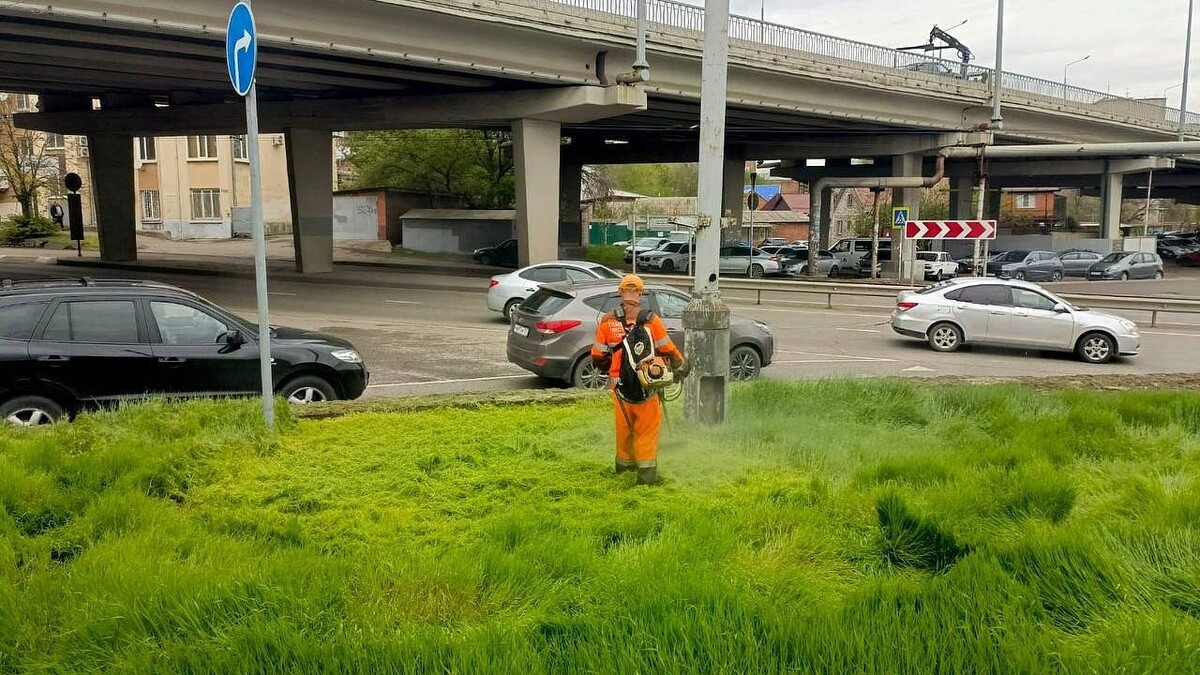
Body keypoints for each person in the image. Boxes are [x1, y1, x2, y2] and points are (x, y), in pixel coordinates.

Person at [591, 275, 688, 486]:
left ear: (620, 292)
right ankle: (645, 479)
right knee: (647, 433)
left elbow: (598, 356)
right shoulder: (651, 319)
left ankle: (623, 471)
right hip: (648, 388)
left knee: (624, 431)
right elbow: (668, 349)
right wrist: (682, 366)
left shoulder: (608, 320)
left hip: (620, 391)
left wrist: (614, 367)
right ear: (641, 293)